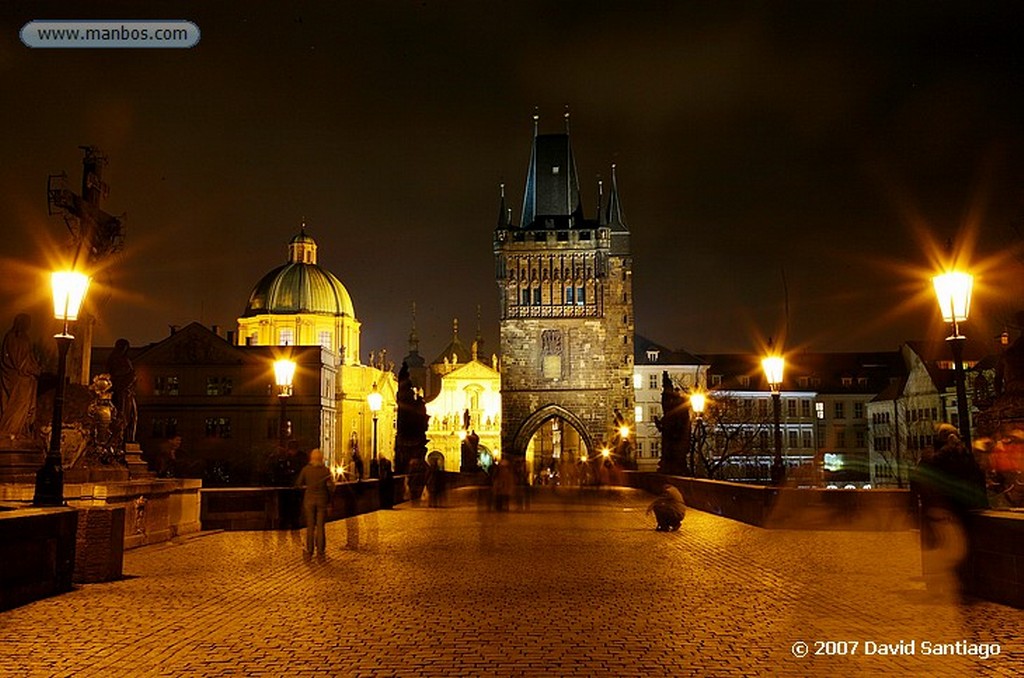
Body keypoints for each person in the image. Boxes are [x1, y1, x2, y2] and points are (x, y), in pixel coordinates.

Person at [911, 424, 987, 596]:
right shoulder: (936, 455)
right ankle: (939, 584)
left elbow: (974, 475)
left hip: (949, 509)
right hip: (941, 509)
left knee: (949, 550)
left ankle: (952, 583)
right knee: (941, 550)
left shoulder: (960, 455)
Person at [0, 314, 41, 439]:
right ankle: (9, 430)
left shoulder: (24, 338)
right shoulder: (13, 337)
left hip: (25, 377)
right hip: (18, 378)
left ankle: (21, 430)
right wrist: (32, 369)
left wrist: (36, 368)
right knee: (18, 403)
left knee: (24, 405)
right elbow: (19, 361)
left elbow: (29, 356)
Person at [295, 448, 335, 560]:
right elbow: (331, 487)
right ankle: (321, 551)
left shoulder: (306, 470)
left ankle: (309, 549)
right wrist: (330, 501)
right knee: (320, 526)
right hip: (322, 500)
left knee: (310, 526)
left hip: (309, 500)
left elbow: (298, 483)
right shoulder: (325, 470)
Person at [105, 338, 137, 445]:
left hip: (127, 392)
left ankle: (128, 438)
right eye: (123, 347)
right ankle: (121, 439)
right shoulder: (114, 359)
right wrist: (129, 376)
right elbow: (115, 375)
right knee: (122, 416)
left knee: (132, 416)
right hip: (121, 393)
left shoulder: (123, 359)